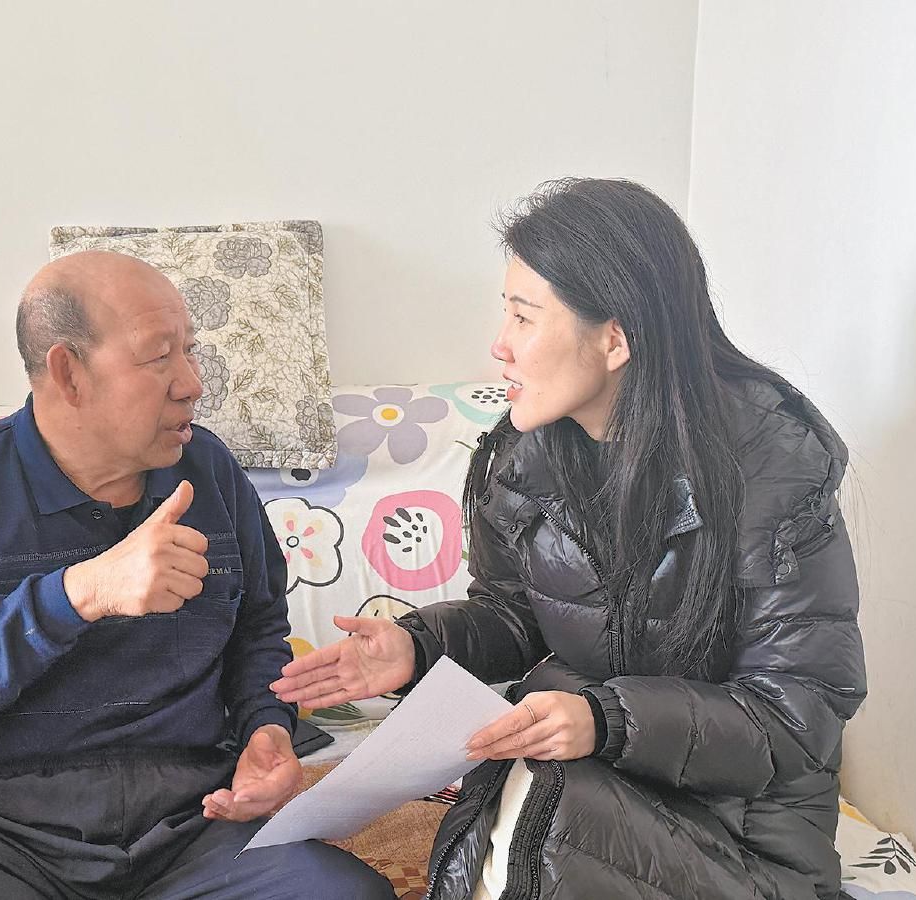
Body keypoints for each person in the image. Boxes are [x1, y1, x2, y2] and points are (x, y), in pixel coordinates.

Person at [273, 179, 866, 900]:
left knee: (541, 806)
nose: (499, 346)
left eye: (524, 317)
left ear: (615, 338)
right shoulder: (523, 457)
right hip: (596, 778)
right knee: (528, 801)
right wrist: (417, 646)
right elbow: (518, 614)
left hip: (743, 832)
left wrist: (605, 721)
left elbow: (798, 715)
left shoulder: (771, 469)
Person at [0, 251, 394, 900]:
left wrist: (266, 728)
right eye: (158, 356)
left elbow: (258, 630)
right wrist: (81, 593)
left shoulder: (207, 468)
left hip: (192, 819)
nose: (192, 383)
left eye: (190, 352)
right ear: (69, 373)